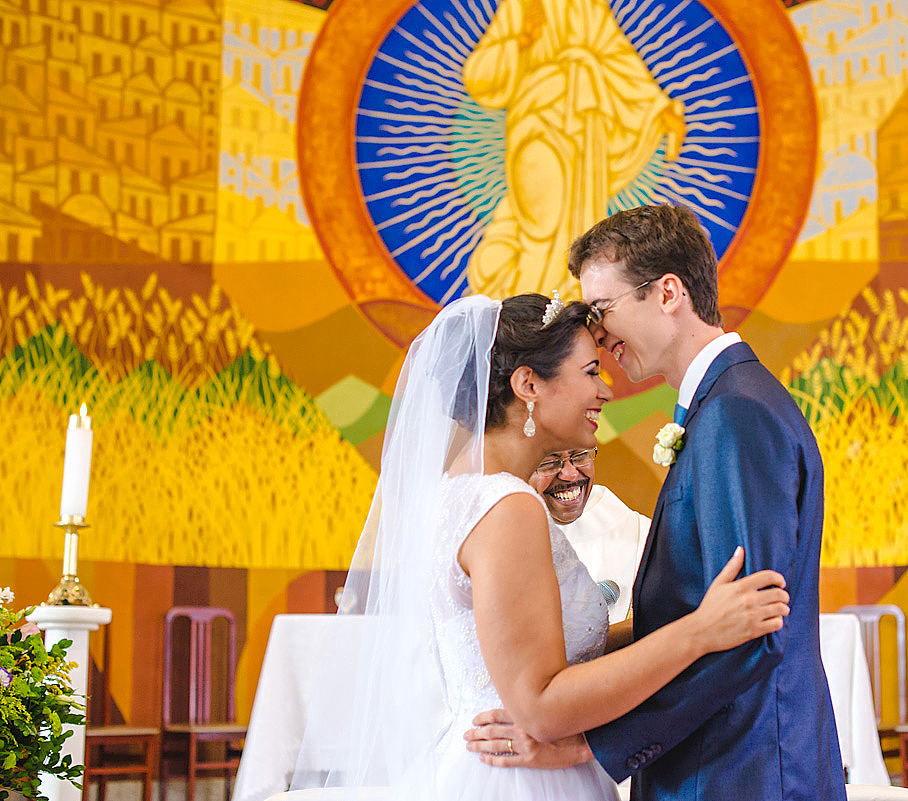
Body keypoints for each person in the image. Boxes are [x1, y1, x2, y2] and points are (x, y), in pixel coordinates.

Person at [283, 292, 790, 801]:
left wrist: (680, 619)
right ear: (528, 385)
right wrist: (701, 632)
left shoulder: (457, 494)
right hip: (523, 780)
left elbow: (543, 650)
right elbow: (542, 704)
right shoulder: (508, 506)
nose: (605, 391)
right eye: (591, 371)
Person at [466, 206, 846, 801]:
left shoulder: (737, 413)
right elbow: (702, 615)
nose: (598, 335)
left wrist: (588, 745)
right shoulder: (718, 407)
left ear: (668, 292)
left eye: (603, 310)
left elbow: (752, 627)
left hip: (741, 773)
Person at [461, 0, 686, 299]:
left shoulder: (588, 7)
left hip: (584, 132)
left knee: (576, 232)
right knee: (543, 224)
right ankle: (530, 318)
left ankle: (561, 309)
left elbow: (619, 59)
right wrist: (521, 40)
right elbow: (480, 75)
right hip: (537, 120)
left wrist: (659, 107)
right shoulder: (522, 6)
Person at [529, 447, 650, 623]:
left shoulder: (642, 534)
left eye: (579, 456)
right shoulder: (496, 543)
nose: (570, 474)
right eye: (549, 463)